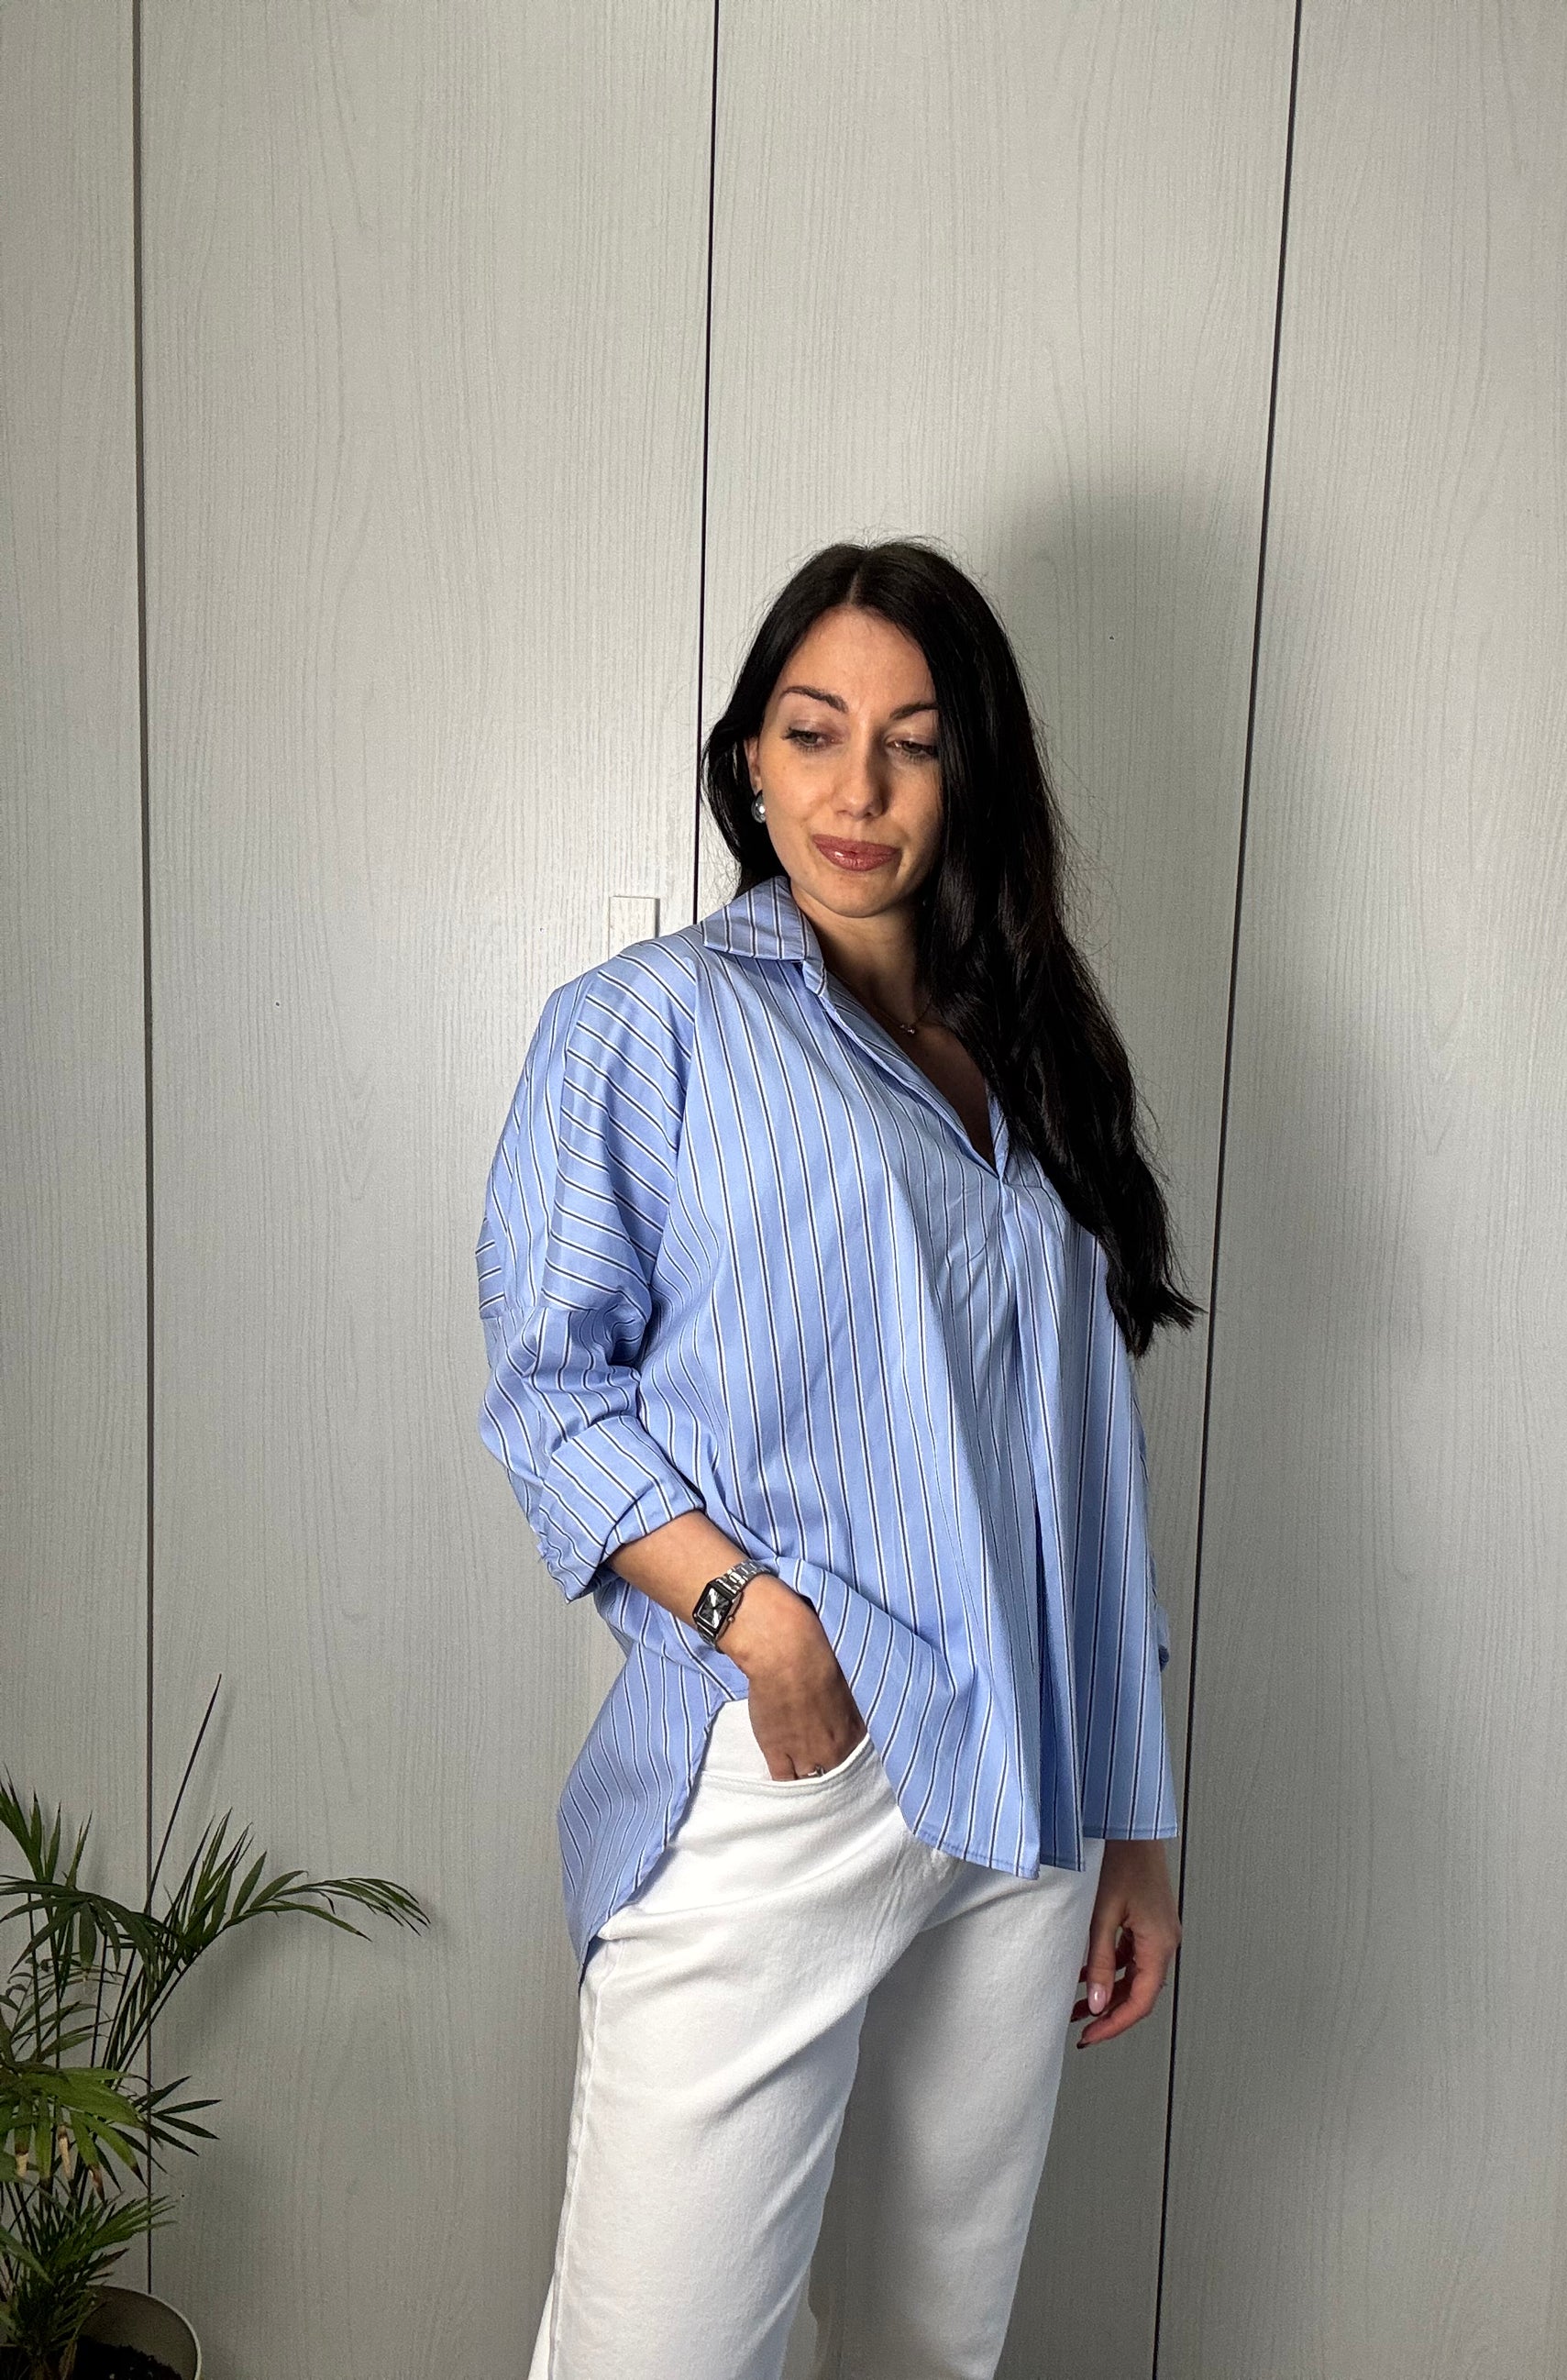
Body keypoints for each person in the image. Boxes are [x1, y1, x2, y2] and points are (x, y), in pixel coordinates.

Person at [477, 539, 1201, 2380]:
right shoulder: (647, 1024)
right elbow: (551, 1394)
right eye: (812, 733)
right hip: (796, 1754)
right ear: (750, 759)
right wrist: (758, 1622)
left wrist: (1134, 1815)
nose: (856, 790)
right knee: (659, 2354)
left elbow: (1084, 1468)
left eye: (911, 742)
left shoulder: (1028, 1057)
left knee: (922, 2350)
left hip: (1030, 1783)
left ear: (969, 774)